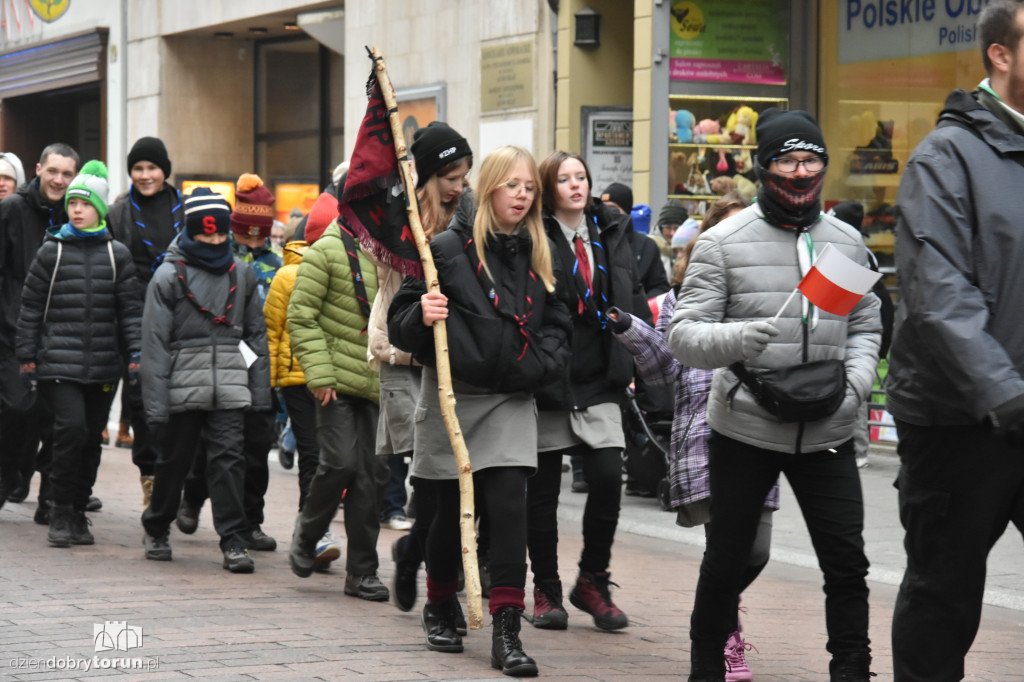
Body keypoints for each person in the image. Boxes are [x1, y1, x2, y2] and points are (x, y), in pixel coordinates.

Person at [667, 109, 880, 682]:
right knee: (727, 558)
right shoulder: (723, 243)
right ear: (764, 167)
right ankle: (706, 662)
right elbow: (682, 335)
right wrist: (737, 337)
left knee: (846, 563)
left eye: (811, 160)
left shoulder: (845, 242)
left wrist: (856, 387)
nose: (801, 172)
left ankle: (852, 668)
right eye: (788, 160)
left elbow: (865, 324)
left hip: (829, 428)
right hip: (747, 427)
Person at [389, 144, 570, 677]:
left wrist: (542, 362)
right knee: (449, 514)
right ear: (489, 188)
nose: (523, 194)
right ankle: (440, 602)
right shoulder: (445, 250)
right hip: (453, 395)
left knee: (509, 506)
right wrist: (421, 312)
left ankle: (507, 629)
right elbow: (402, 320)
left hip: (513, 397)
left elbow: (561, 317)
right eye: (512, 185)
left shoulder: (544, 249)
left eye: (530, 187)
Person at [886, 3, 1024, 679]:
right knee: (944, 594)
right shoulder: (945, 157)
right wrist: (1005, 394)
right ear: (1001, 55)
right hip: (957, 419)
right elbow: (940, 294)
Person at [610, 192, 775, 679]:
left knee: (758, 550)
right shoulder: (682, 300)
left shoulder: (768, 293)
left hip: (762, 432)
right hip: (705, 436)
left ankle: (715, 606)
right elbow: (663, 375)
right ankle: (726, 638)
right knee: (725, 545)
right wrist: (633, 330)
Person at [526, 151, 650, 634]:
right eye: (564, 179)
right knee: (543, 492)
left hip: (602, 376)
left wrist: (638, 352)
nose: (575, 186)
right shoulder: (534, 234)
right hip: (551, 376)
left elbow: (633, 296)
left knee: (605, 478)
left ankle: (593, 580)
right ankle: (547, 588)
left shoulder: (610, 232)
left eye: (581, 177)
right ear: (548, 187)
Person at [140, 187, 271, 573]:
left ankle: (233, 540)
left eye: (219, 233)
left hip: (230, 385)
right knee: (173, 462)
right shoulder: (167, 276)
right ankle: (157, 526)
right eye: (206, 233)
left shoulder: (242, 274)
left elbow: (256, 338)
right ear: (190, 231)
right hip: (182, 385)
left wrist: (259, 395)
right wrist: (155, 406)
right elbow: (154, 344)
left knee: (229, 462)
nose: (214, 240)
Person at [15, 160, 141, 547]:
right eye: (72, 204)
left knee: (89, 439)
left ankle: (78, 510)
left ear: (100, 210)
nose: (77, 210)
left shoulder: (116, 254)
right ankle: (58, 508)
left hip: (104, 367)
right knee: (68, 431)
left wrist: (136, 354)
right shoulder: (50, 252)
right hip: (58, 364)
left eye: (85, 205)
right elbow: (31, 308)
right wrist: (27, 354)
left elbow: (130, 312)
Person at [377, 121, 473, 611]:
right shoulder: (403, 219)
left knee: (453, 488)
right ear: (430, 175)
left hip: (457, 363)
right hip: (407, 360)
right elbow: (392, 299)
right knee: (433, 485)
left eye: (465, 174)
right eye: (450, 175)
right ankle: (430, 562)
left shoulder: (472, 216)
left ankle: (416, 550)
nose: (459, 185)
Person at [286, 187, 389, 602]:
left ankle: (362, 573)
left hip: (380, 383)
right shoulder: (327, 249)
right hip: (335, 384)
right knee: (340, 464)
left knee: (373, 479)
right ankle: (309, 531)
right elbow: (301, 314)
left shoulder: (391, 252)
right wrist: (320, 374)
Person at [176, 173, 282, 552]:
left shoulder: (277, 263)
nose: (253, 241)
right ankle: (192, 497)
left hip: (259, 367)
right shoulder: (222, 261)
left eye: (260, 234)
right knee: (215, 446)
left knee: (256, 448)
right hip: (220, 363)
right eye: (245, 234)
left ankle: (251, 521)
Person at [0, 143, 79, 523]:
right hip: (14, 335)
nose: (59, 180)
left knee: (59, 421)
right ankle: (8, 480)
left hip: (63, 337)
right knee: (18, 409)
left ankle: (51, 499)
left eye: (67, 174)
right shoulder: (12, 209)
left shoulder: (78, 213)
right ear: (38, 170)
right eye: (53, 172)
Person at [263, 191, 340, 570]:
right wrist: (276, 378)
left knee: (329, 457)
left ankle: (312, 529)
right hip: (298, 381)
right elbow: (274, 329)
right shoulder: (288, 275)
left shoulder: (346, 269)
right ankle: (312, 531)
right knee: (315, 454)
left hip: (335, 378)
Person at [107, 136, 184, 505]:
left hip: (181, 314)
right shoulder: (119, 212)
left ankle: (179, 472)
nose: (145, 175)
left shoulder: (183, 207)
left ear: (164, 170)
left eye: (151, 167)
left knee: (182, 396)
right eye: (138, 168)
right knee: (140, 397)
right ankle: (150, 476)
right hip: (134, 314)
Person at [601, 182, 669, 298]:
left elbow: (659, 287)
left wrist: (642, 306)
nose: (607, 213)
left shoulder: (647, 246)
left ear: (626, 211)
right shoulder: (595, 241)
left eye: (613, 209)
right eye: (603, 208)